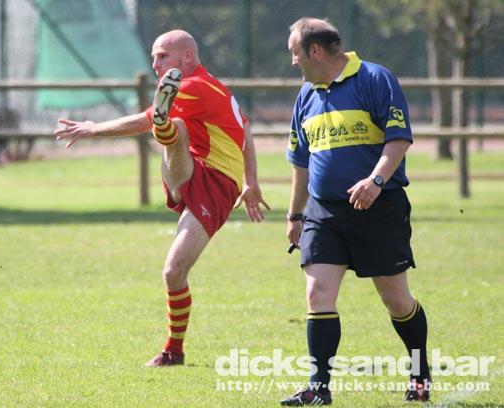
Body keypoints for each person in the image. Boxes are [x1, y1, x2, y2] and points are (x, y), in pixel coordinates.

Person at [55, 29, 269, 367]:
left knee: (173, 271)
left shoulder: (194, 86)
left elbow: (142, 121)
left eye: (162, 56)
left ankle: (173, 351)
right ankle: (165, 127)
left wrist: (94, 129)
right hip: (192, 171)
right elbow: (246, 129)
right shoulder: (214, 86)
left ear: (187, 57)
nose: (155, 64)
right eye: (154, 57)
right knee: (176, 129)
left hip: (215, 186)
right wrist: (252, 181)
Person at [280, 18, 431, 405]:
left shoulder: (375, 79)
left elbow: (399, 138)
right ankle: (319, 387)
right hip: (323, 212)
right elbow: (301, 163)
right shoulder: (306, 96)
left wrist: (375, 181)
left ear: (315, 51)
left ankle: (419, 373)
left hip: (379, 207)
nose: (293, 61)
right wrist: (295, 215)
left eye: (295, 52)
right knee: (318, 291)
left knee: (396, 300)